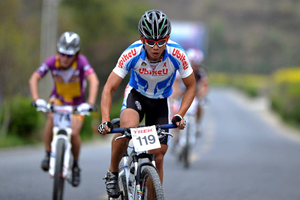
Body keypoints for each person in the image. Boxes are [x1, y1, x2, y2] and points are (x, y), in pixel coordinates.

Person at [98, 9, 196, 198]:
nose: (156, 46)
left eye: (161, 41)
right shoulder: (131, 53)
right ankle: (112, 172)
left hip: (160, 102)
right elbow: (108, 88)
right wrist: (105, 119)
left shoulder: (178, 54)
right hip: (137, 97)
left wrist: (179, 115)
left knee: (158, 157)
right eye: (150, 42)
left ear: (167, 38)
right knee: (127, 130)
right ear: (143, 39)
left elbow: (191, 87)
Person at [29, 31, 99, 187]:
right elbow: (34, 78)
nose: (65, 58)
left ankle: (75, 166)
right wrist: (36, 99)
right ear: (58, 51)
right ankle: (48, 154)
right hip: (59, 99)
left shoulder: (81, 62)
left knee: (74, 133)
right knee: (51, 117)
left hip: (77, 103)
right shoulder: (52, 62)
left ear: (76, 54)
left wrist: (90, 103)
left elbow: (93, 80)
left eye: (69, 55)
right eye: (62, 53)